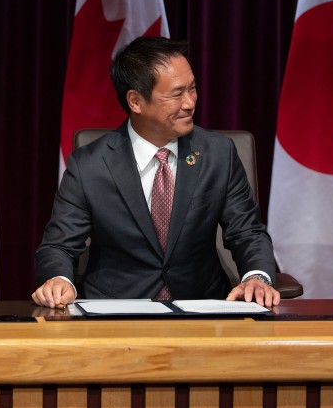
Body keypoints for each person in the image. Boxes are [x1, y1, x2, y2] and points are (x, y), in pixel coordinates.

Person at [33, 37, 279, 308]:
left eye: (193, 88)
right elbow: (59, 246)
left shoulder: (218, 154)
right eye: (176, 94)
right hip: (117, 313)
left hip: (202, 308)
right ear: (136, 101)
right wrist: (59, 280)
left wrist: (257, 276)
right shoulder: (89, 164)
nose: (189, 103)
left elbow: (247, 232)